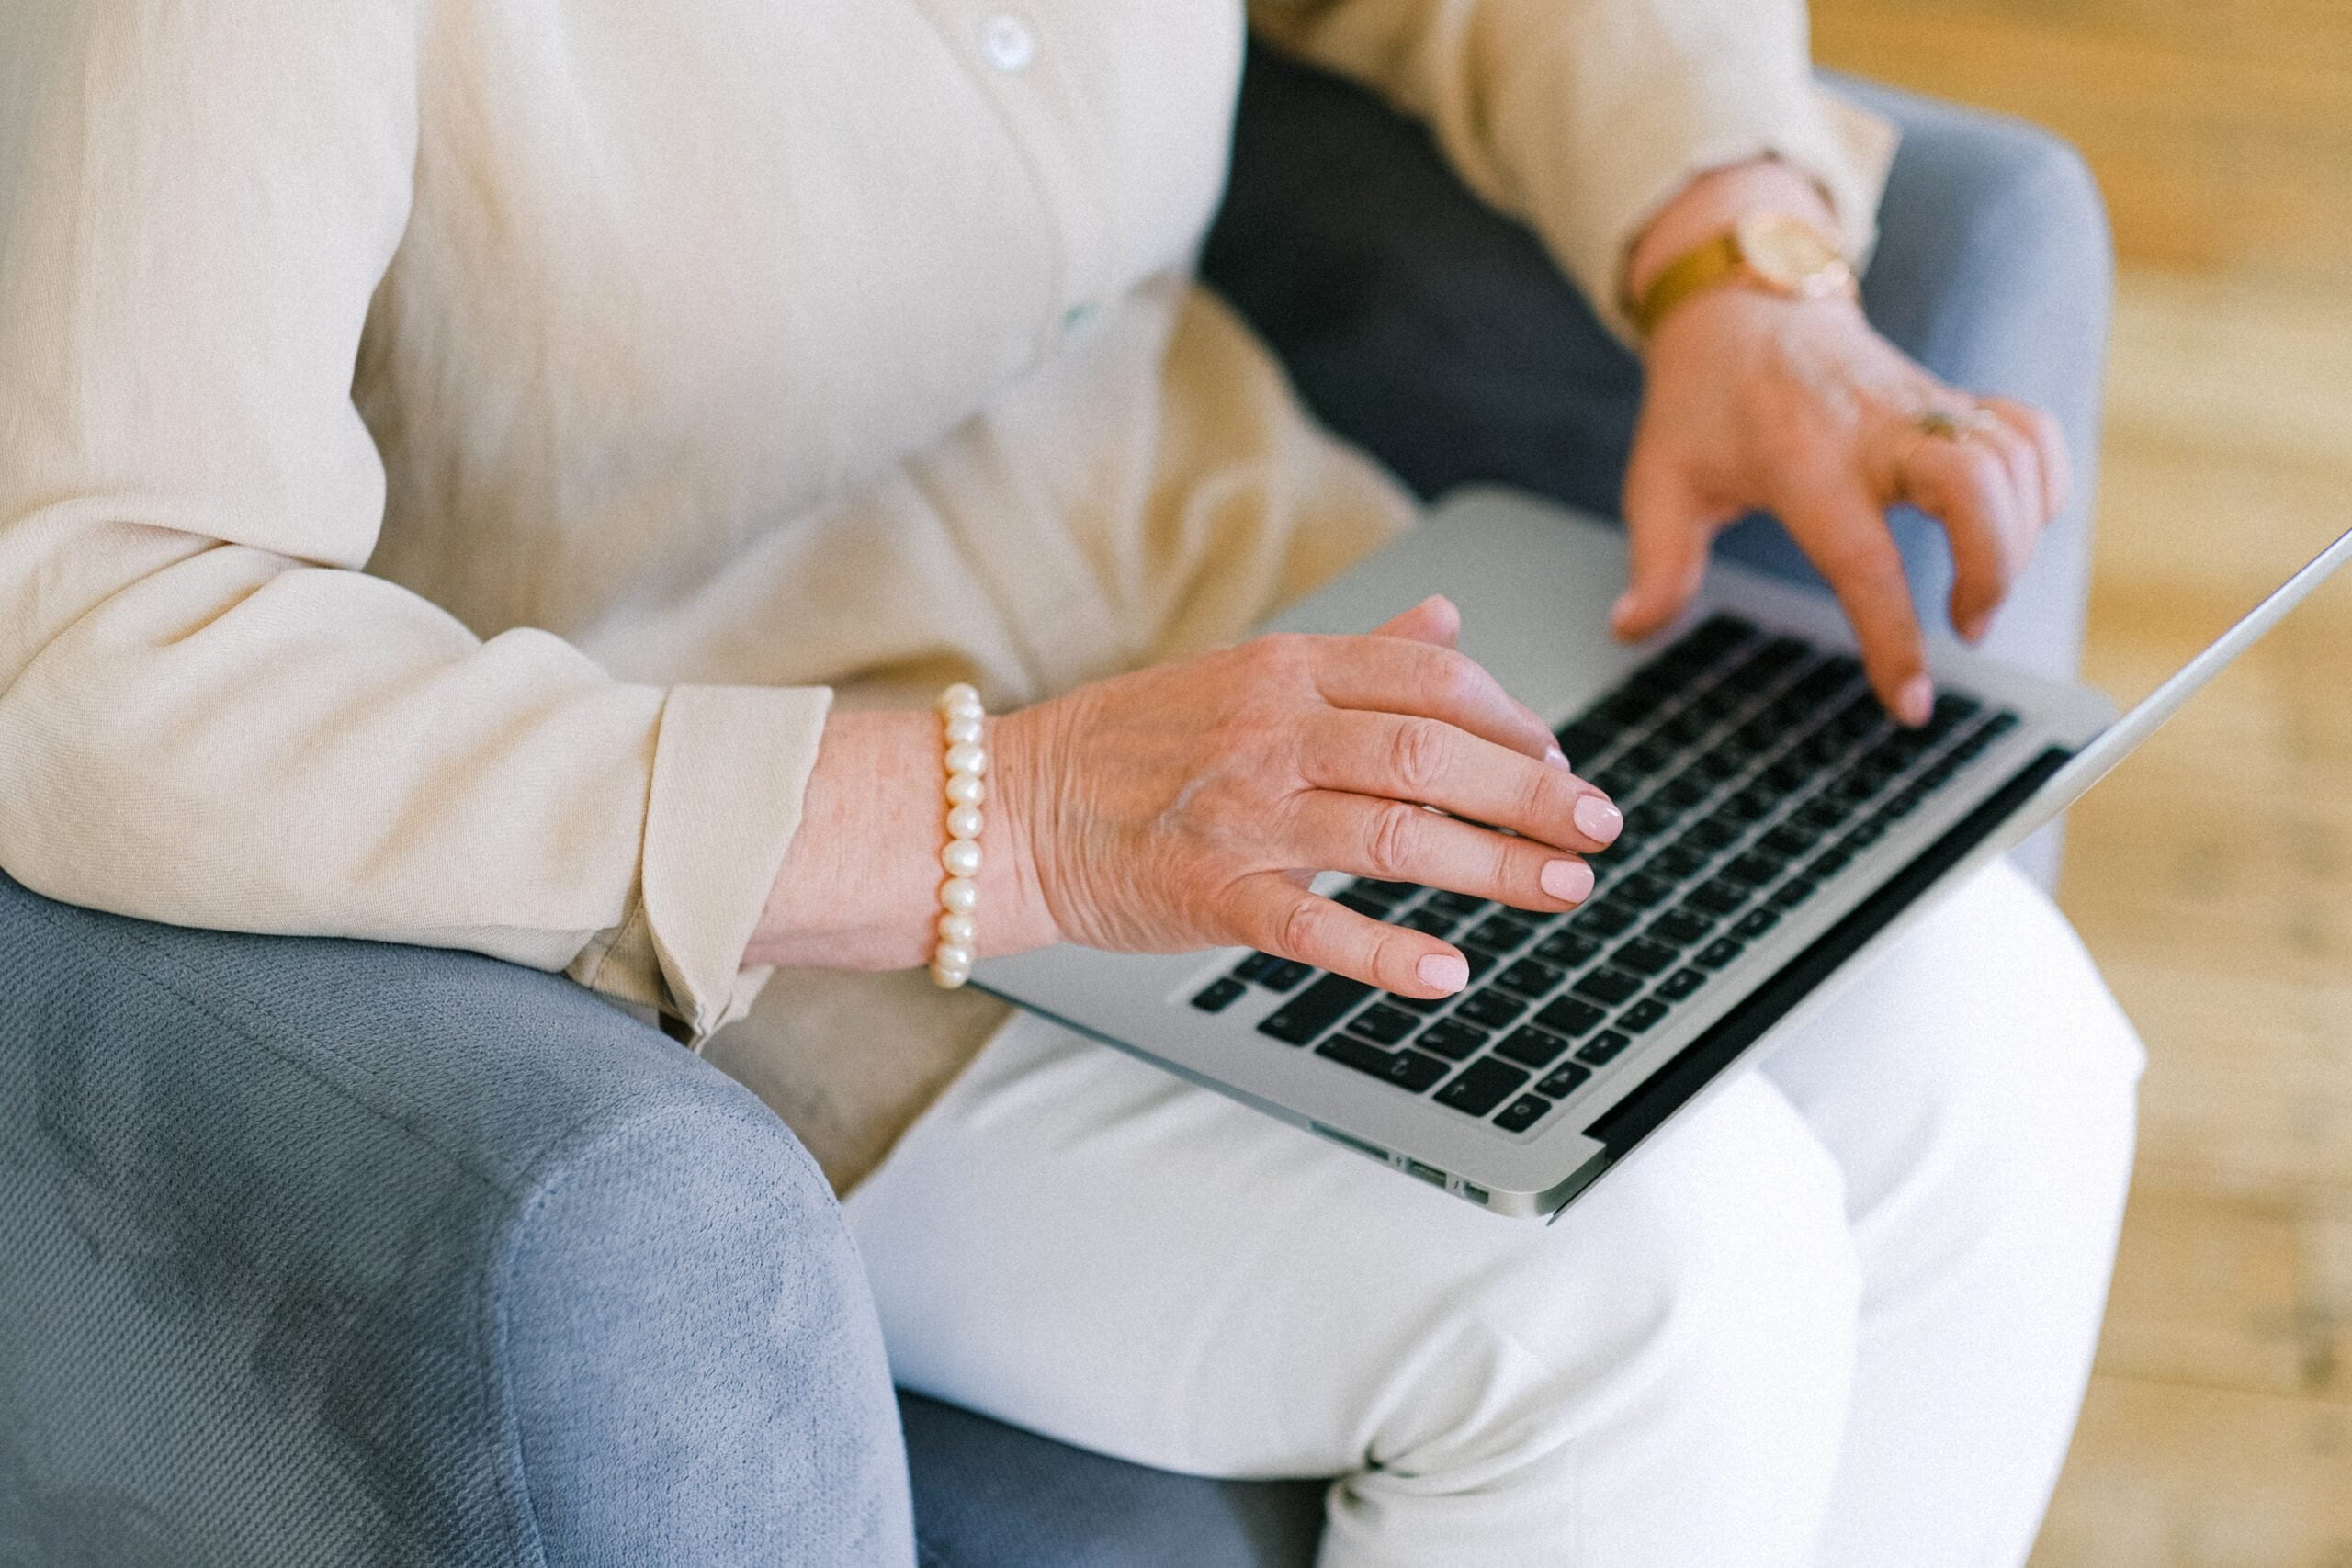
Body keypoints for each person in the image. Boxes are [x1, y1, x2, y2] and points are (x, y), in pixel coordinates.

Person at [0, 1, 2142, 1562]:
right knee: (1665, 1277)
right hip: (759, 846)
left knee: (2004, 1048)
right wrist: (999, 818)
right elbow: (91, 636)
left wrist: (1729, 250)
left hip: (1268, 609)